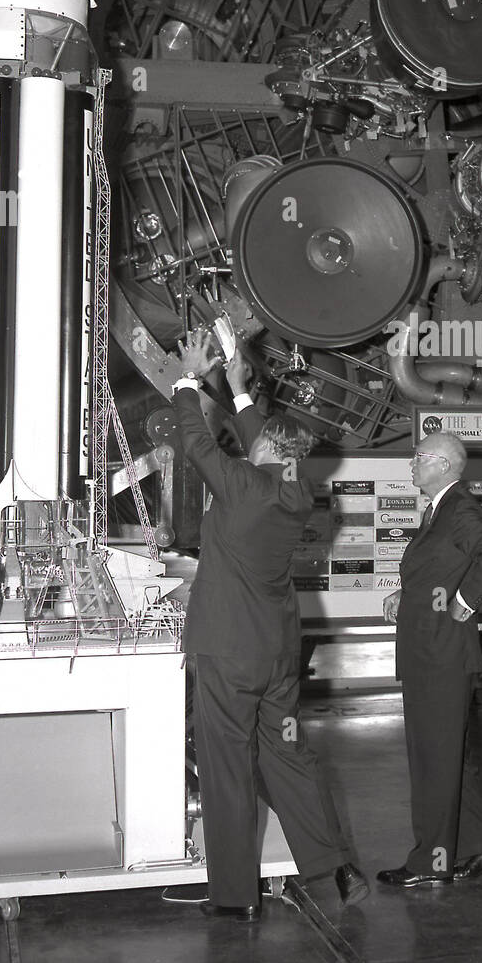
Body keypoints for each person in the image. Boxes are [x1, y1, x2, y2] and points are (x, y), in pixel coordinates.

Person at [171, 328, 368, 920]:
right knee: (289, 758)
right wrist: (233, 387)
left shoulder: (241, 486)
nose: (245, 442)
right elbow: (265, 440)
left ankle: (235, 898)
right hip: (278, 658)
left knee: (227, 768)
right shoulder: (295, 494)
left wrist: (187, 377)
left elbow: (195, 444)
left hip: (227, 656)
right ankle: (334, 868)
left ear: (264, 451)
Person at [379, 432, 482, 888]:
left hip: (440, 653)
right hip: (429, 649)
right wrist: (410, 593)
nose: (411, 465)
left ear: (442, 464)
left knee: (433, 760)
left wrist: (465, 602)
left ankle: (430, 863)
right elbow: (441, 567)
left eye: (417, 458)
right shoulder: (441, 509)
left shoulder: (459, 509)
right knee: (452, 756)